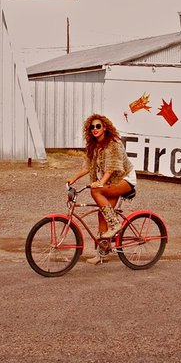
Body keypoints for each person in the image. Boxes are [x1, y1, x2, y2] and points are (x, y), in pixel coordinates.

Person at [67, 113, 137, 264]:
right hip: (110, 181)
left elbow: (112, 168)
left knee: (96, 191)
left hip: (124, 179)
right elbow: (87, 167)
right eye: (92, 127)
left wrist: (100, 183)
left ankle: (115, 224)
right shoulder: (94, 146)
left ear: (105, 127)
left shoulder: (113, 144)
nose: (95, 129)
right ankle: (101, 253)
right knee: (101, 214)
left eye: (98, 126)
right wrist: (73, 179)